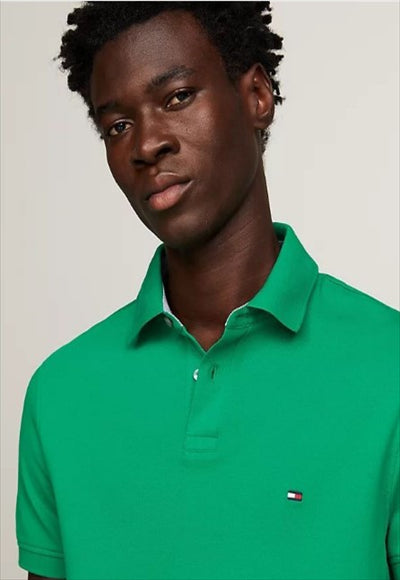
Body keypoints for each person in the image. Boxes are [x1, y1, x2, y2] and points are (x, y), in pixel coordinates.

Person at [15, 2, 399, 579]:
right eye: (117, 126)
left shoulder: (389, 366)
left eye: (177, 97)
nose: (146, 144)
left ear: (256, 97)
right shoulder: (60, 394)